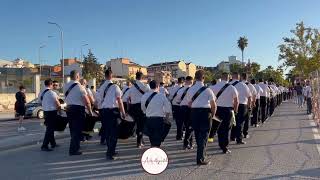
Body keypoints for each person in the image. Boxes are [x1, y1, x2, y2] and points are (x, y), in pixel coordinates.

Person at [186, 70, 217, 165]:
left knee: (198, 134)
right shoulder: (208, 90)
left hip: (194, 113)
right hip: (205, 114)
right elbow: (213, 105)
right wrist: (213, 114)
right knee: (204, 136)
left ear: (195, 78)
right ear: (203, 78)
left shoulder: (190, 89)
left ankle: (201, 154)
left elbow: (189, 104)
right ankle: (200, 158)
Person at [96, 69, 126, 160]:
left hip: (104, 111)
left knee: (108, 132)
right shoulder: (115, 87)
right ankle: (110, 154)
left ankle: (111, 150)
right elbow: (119, 100)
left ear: (105, 76)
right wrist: (123, 112)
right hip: (113, 112)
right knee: (114, 133)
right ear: (111, 76)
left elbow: (98, 101)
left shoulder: (101, 87)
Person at [64, 70, 93, 156]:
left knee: (72, 129)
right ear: (77, 76)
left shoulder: (66, 85)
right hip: (78, 109)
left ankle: (76, 146)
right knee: (77, 130)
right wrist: (90, 111)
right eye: (79, 76)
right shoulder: (80, 87)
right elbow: (87, 101)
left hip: (69, 108)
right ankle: (73, 150)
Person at [210, 72, 238, 154]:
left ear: (221, 77)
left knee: (219, 127)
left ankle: (220, 143)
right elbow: (236, 101)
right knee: (226, 129)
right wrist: (235, 111)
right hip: (227, 110)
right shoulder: (232, 88)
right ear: (229, 78)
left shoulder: (214, 87)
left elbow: (211, 100)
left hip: (217, 110)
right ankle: (224, 147)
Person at [141, 80, 172, 147]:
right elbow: (168, 109)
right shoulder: (162, 96)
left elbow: (143, 109)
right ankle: (156, 149)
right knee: (158, 139)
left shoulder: (144, 96)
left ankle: (153, 148)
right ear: (158, 86)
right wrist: (166, 118)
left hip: (149, 119)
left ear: (149, 86)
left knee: (152, 138)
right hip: (159, 120)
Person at [127, 71, 150, 148]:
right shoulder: (144, 86)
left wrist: (128, 109)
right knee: (140, 125)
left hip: (133, 107)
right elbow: (149, 94)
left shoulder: (131, 88)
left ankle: (140, 139)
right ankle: (139, 142)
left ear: (135, 77)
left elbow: (128, 99)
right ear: (142, 77)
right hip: (141, 107)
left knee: (135, 124)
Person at [38, 79, 61, 152]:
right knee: (50, 130)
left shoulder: (41, 93)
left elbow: (40, 102)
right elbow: (58, 104)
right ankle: (44, 146)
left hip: (45, 112)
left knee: (50, 129)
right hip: (52, 112)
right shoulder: (52, 93)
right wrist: (60, 111)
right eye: (53, 85)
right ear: (51, 85)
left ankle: (53, 143)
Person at [229, 72, 251, 144]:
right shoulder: (244, 85)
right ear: (238, 77)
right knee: (240, 123)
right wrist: (249, 106)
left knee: (233, 122)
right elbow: (249, 97)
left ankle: (232, 137)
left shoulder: (228, 85)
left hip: (231, 105)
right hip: (242, 105)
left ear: (232, 77)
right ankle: (239, 139)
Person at [175, 76, 194, 149]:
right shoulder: (193, 90)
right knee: (190, 127)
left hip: (182, 109)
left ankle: (190, 143)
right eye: (192, 82)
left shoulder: (180, 90)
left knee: (187, 126)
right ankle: (186, 143)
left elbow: (177, 101)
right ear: (190, 82)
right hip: (190, 109)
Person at [241, 73, 256, 139]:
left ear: (241, 77)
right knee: (247, 120)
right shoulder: (251, 86)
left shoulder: (237, 85)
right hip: (247, 104)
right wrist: (253, 103)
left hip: (238, 104)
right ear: (247, 78)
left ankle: (236, 135)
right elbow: (254, 95)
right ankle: (245, 133)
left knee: (238, 121)